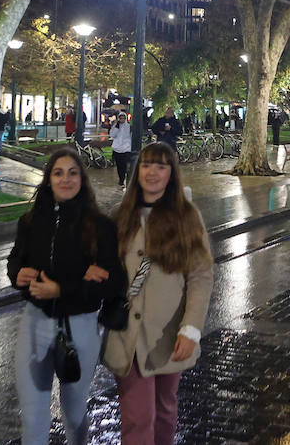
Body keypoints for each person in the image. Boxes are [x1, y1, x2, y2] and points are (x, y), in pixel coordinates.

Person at [8, 148, 124, 445]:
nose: (65, 179)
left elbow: (113, 282)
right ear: (48, 179)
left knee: (73, 413)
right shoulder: (30, 222)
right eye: (58, 173)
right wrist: (17, 274)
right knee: (34, 417)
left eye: (73, 173)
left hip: (80, 328)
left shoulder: (100, 227)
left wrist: (63, 290)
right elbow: (16, 261)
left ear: (82, 179)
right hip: (35, 325)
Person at [103, 142, 214, 444]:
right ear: (137, 170)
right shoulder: (119, 216)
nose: (152, 172)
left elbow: (200, 276)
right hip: (127, 335)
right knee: (138, 418)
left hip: (168, 334)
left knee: (165, 410)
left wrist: (191, 328)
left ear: (171, 174)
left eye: (161, 166)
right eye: (146, 165)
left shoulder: (187, 217)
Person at [109, 111, 134, 187]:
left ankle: (126, 178)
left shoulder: (129, 127)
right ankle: (121, 179)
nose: (122, 120)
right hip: (117, 148)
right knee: (119, 166)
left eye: (123, 118)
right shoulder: (115, 126)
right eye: (121, 118)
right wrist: (116, 128)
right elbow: (112, 135)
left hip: (126, 148)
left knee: (125, 165)